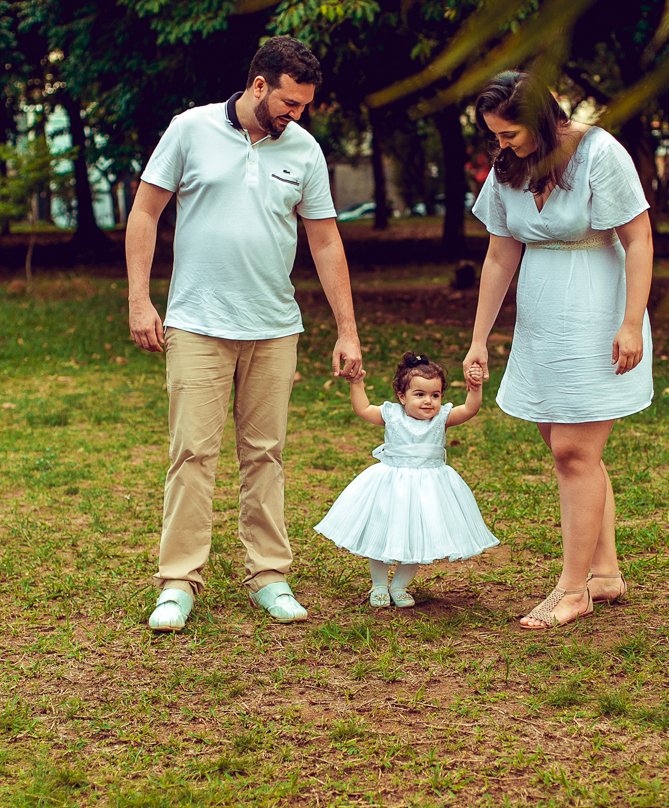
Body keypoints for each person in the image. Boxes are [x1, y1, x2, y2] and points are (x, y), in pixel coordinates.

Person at [126, 36, 362, 630]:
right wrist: (138, 300)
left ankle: (270, 576)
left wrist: (347, 330)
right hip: (197, 323)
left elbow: (326, 240)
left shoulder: (304, 149)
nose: (296, 114)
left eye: (304, 105)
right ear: (259, 85)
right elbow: (145, 212)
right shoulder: (190, 130)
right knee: (192, 454)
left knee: (266, 455)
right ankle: (178, 582)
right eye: (288, 102)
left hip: (274, 327)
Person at [463, 71, 653, 630]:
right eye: (495, 135)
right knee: (569, 449)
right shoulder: (510, 166)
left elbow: (639, 238)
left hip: (598, 313)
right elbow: (500, 255)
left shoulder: (599, 152)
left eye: (510, 133)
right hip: (542, 320)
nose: (503, 144)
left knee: (574, 452)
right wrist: (480, 337)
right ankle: (606, 573)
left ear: (542, 120)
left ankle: (573, 590)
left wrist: (631, 323)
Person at [314, 352, 499, 607]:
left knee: (416, 536)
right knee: (381, 532)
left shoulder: (441, 419)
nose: (428, 401)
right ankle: (378, 584)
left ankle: (399, 585)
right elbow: (363, 409)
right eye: (419, 394)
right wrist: (357, 384)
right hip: (391, 485)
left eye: (435, 395)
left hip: (428, 490)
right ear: (402, 396)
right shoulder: (391, 414)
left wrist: (474, 388)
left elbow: (469, 409)